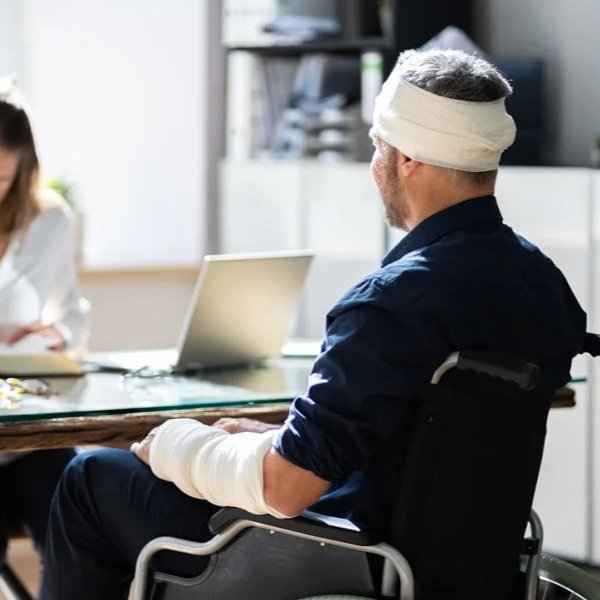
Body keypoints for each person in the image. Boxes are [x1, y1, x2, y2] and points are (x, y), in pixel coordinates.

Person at [39, 49, 586, 599]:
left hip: (351, 563)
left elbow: (286, 490)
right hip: (465, 572)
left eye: (378, 146)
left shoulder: (390, 303)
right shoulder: (544, 287)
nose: (375, 165)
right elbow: (424, 445)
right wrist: (281, 439)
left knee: (91, 479)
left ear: (408, 159)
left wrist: (178, 444)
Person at [0, 80, 90, 569]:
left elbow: (72, 312)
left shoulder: (50, 222)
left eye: (1, 178)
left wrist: (59, 334)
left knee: (77, 498)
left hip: (29, 431)